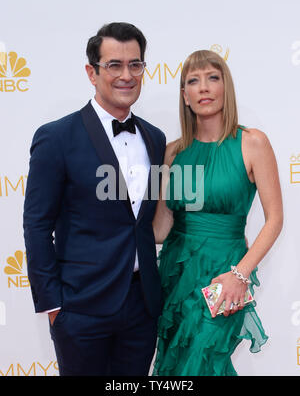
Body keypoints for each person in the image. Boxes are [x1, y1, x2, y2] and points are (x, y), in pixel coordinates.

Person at [23, 22, 166, 376]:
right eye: (113, 65)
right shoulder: (57, 137)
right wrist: (54, 305)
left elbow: (145, 222)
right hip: (80, 307)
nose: (126, 75)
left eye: (135, 64)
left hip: (140, 306)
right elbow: (37, 225)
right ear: (92, 72)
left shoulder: (155, 138)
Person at [152, 50, 283, 376]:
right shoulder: (173, 152)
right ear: (185, 95)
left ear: (226, 86)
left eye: (213, 77)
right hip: (176, 275)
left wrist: (240, 275)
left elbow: (275, 219)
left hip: (225, 276)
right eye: (193, 81)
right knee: (174, 366)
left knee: (200, 362)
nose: (203, 87)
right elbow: (160, 228)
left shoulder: (252, 143)